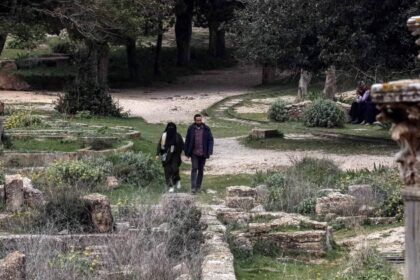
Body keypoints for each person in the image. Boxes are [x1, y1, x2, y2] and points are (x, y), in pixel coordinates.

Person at [184, 114, 214, 194]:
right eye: (197, 120)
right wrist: (186, 151)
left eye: (200, 120)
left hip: (203, 153)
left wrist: (210, 150)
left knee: (201, 170)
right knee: (194, 168)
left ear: (202, 120)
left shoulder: (206, 129)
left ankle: (198, 186)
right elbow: (187, 139)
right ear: (195, 120)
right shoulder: (191, 129)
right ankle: (193, 187)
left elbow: (210, 140)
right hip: (194, 153)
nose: (199, 122)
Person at [156, 122, 184, 193]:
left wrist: (187, 153)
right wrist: (157, 154)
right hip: (165, 157)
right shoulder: (164, 136)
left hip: (175, 156)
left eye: (172, 128)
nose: (171, 130)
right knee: (167, 172)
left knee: (174, 169)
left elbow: (182, 145)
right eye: (169, 128)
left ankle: (177, 180)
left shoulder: (177, 136)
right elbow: (159, 145)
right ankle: (170, 186)